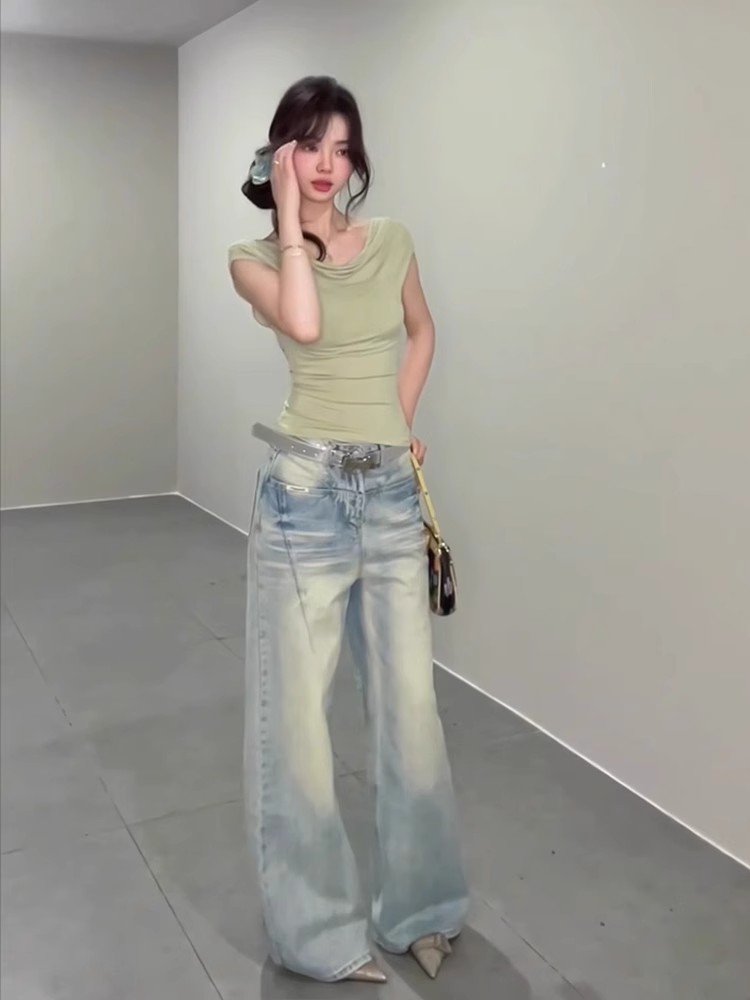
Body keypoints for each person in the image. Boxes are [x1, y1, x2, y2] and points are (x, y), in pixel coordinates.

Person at [227, 75, 469, 985]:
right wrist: (292, 219)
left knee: (413, 717)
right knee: (297, 731)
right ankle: (315, 933)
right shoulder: (251, 257)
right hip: (304, 499)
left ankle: (423, 909)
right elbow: (305, 321)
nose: (330, 164)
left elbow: (422, 331)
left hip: (392, 496)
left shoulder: (393, 240)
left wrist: (398, 420)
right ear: (280, 154)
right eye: (310, 147)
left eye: (342, 147)